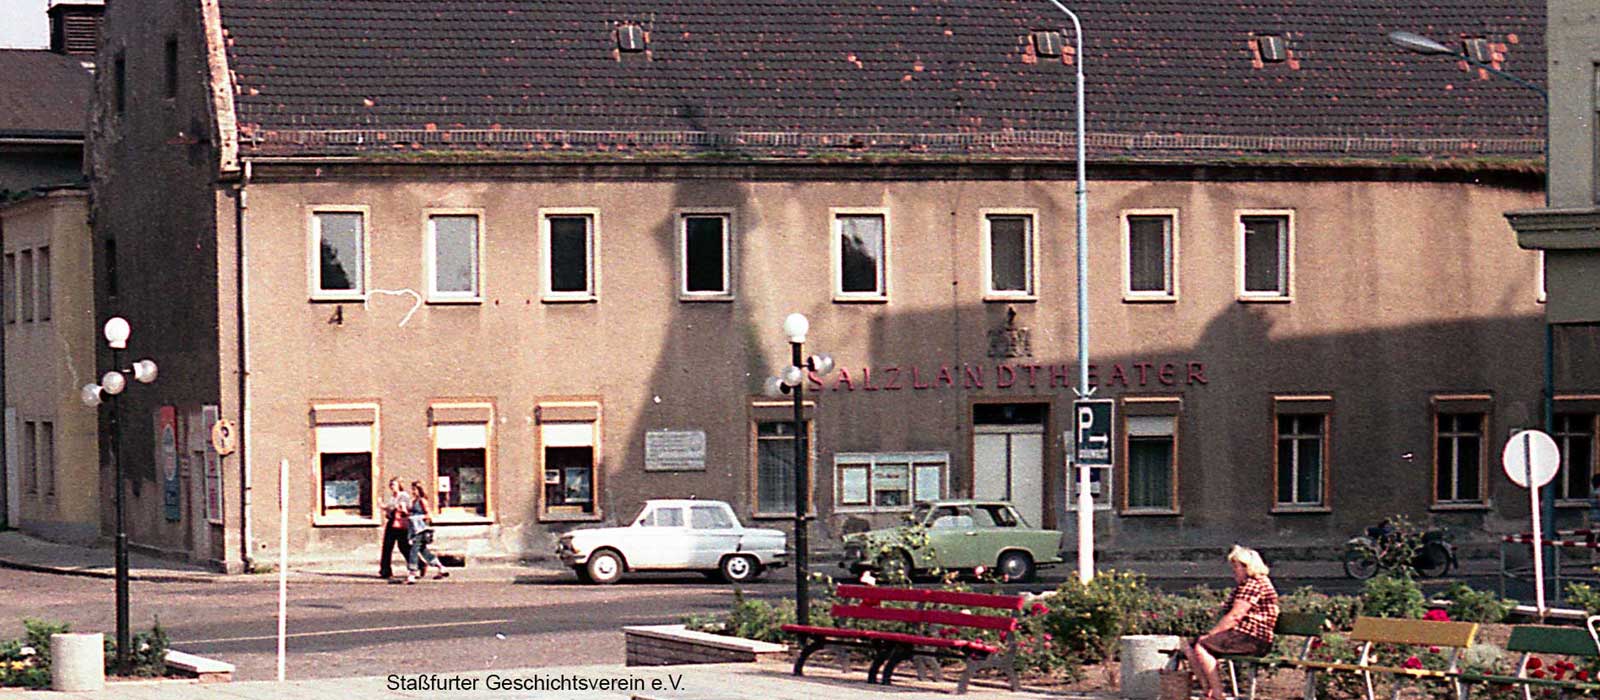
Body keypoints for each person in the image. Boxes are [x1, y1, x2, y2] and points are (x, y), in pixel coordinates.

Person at [1181, 545, 1279, 700]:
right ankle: (1208, 690)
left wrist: (1212, 634)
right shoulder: (1246, 584)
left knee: (1202, 646)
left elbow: (1235, 616)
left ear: (1247, 566)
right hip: (1241, 635)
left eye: (1236, 566)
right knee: (1189, 646)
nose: (1233, 570)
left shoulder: (1255, 583)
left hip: (1252, 638)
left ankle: (1217, 694)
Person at [405, 481, 449, 584]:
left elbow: (429, 515)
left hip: (421, 530)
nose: (413, 492)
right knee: (423, 551)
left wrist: (416, 518)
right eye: (412, 489)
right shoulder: (414, 501)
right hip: (414, 530)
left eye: (414, 489)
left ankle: (412, 573)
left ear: (419, 490)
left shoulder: (422, 501)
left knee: (413, 551)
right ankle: (441, 568)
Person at [378, 477, 412, 580]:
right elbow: (390, 510)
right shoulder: (392, 497)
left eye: (394, 484)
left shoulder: (404, 496)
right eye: (391, 485)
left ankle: (418, 564)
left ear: (399, 485)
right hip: (392, 522)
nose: (392, 487)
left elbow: (405, 509)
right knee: (387, 547)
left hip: (400, 523)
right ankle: (385, 571)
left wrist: (388, 507)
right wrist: (385, 509)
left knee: (403, 546)